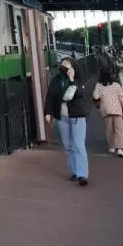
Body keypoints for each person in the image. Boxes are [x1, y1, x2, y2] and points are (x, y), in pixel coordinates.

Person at [44, 57, 90, 186]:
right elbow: (50, 96)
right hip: (62, 117)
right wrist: (48, 112)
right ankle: (74, 170)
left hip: (77, 116)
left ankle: (82, 174)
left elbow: (79, 94)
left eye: (67, 64)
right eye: (62, 64)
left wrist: (71, 80)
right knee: (68, 145)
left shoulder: (79, 81)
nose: (63, 66)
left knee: (79, 145)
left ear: (73, 67)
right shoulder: (56, 80)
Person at [92, 70, 123, 157]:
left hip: (106, 111)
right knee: (119, 130)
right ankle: (120, 148)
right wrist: (120, 105)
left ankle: (112, 146)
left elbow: (95, 96)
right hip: (117, 111)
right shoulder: (116, 85)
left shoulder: (99, 86)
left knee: (109, 130)